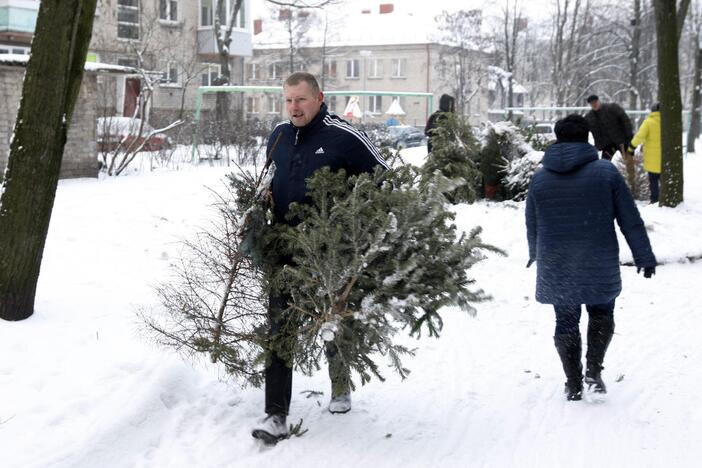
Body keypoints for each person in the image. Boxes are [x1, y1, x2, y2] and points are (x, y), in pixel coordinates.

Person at [251, 72, 388, 444]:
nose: (294, 107)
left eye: (301, 100)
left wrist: (354, 224)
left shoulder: (344, 136)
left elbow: (386, 179)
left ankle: (340, 385)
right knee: (280, 329)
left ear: (319, 98)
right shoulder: (278, 135)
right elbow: (270, 179)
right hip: (284, 248)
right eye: (289, 101)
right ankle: (276, 415)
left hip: (330, 252)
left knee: (331, 321)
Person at [526, 114, 656, 401]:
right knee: (601, 313)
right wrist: (643, 256)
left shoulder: (540, 178)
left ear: (556, 139)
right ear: (588, 139)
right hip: (598, 260)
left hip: (558, 263)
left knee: (566, 320)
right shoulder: (605, 172)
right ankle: (593, 371)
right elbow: (629, 219)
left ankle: (573, 382)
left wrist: (534, 253)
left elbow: (532, 221)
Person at [628, 102, 661, 204]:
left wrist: (631, 148)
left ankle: (655, 200)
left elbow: (639, 137)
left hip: (652, 159)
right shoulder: (668, 122)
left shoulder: (649, 122)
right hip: (666, 159)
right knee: (665, 181)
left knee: (653, 181)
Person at [584, 94, 633, 160]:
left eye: (595, 102)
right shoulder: (589, 117)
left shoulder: (612, 108)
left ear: (599, 101)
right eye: (592, 103)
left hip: (622, 141)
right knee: (605, 164)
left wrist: (629, 136)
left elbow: (625, 121)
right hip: (607, 145)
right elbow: (584, 129)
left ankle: (631, 170)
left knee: (629, 162)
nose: (594, 104)